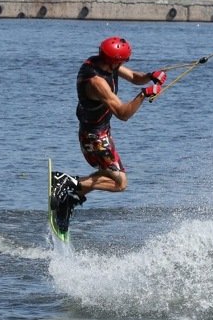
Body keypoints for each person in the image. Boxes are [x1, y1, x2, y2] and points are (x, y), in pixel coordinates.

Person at [51, 36, 166, 229]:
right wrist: (144, 94)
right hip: (95, 137)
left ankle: (69, 200)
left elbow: (133, 77)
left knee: (106, 173)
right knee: (120, 183)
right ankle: (67, 182)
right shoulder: (97, 82)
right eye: (121, 61)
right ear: (113, 60)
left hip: (99, 131)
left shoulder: (104, 64)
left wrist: (150, 76)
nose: (122, 64)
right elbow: (123, 114)